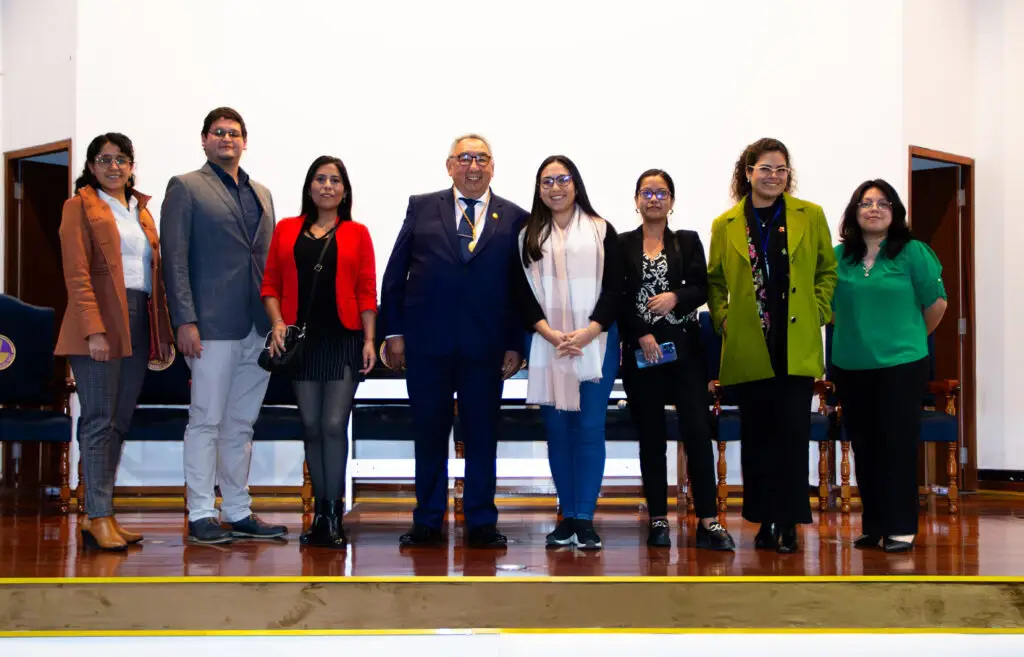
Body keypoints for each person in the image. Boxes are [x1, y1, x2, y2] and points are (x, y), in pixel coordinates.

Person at [379, 134, 529, 548]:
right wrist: (393, 332)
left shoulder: (515, 216)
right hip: (428, 344)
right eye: (465, 158)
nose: (473, 165)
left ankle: (481, 519)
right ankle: (428, 518)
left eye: (482, 158)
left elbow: (521, 288)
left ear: (493, 166)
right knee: (429, 433)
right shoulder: (422, 206)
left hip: (487, 347)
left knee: (482, 435)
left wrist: (517, 343)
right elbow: (395, 275)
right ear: (449, 166)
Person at [161, 107, 287, 545]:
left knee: (241, 425)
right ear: (204, 139)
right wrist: (184, 320)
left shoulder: (263, 192)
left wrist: (277, 322)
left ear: (245, 141)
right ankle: (199, 513)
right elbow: (174, 260)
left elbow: (269, 263)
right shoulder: (186, 187)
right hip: (209, 326)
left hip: (257, 327)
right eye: (219, 133)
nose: (227, 139)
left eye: (234, 133)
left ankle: (237, 510)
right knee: (206, 421)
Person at [706, 137, 837, 554]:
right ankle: (764, 519)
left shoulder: (809, 215)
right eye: (765, 169)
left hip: (794, 345)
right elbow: (714, 282)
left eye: (781, 169)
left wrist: (819, 310)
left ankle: (789, 522)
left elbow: (826, 271)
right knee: (759, 438)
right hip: (749, 346)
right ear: (747, 173)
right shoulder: (725, 224)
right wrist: (725, 319)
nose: (774, 176)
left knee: (792, 436)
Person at [55, 133, 175, 551]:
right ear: (90, 166)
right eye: (104, 160)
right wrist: (94, 330)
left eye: (120, 159)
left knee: (119, 421)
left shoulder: (140, 210)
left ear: (131, 165)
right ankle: (98, 514)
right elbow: (77, 274)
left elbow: (152, 274)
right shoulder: (79, 207)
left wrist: (162, 331)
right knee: (98, 420)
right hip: (100, 323)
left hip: (139, 320)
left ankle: (98, 514)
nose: (113, 167)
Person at [261, 155, 378, 548]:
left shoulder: (357, 233)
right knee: (311, 426)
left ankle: (333, 513)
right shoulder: (286, 229)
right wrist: (278, 323)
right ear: (309, 186)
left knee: (332, 424)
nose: (327, 186)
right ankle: (319, 518)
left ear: (344, 191)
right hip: (302, 342)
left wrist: (368, 339)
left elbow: (366, 290)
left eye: (335, 180)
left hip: (343, 339)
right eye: (320, 179)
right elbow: (270, 284)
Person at [619, 169, 736, 551]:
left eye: (662, 193)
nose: (654, 199)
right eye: (647, 193)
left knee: (698, 435)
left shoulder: (687, 241)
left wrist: (675, 297)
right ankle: (657, 519)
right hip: (642, 352)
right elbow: (616, 298)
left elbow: (702, 286)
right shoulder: (620, 245)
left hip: (684, 352)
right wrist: (642, 332)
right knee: (652, 438)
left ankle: (708, 520)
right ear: (636, 200)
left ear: (672, 200)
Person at [510, 155, 622, 550]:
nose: (555, 187)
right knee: (557, 432)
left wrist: (589, 331)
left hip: (596, 343)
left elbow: (615, 289)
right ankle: (566, 516)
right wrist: (550, 333)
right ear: (538, 189)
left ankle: (585, 519)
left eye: (563, 179)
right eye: (547, 182)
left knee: (589, 429)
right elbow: (519, 294)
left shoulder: (601, 230)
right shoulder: (526, 235)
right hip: (546, 343)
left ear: (576, 184)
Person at [831, 179, 947, 553]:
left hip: (902, 365)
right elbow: (828, 309)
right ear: (854, 212)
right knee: (865, 447)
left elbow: (937, 304)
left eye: (883, 203)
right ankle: (875, 524)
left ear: (895, 212)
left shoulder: (913, 252)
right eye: (866, 203)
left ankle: (900, 527)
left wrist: (910, 338)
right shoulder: (837, 257)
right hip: (851, 364)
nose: (874, 209)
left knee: (896, 444)